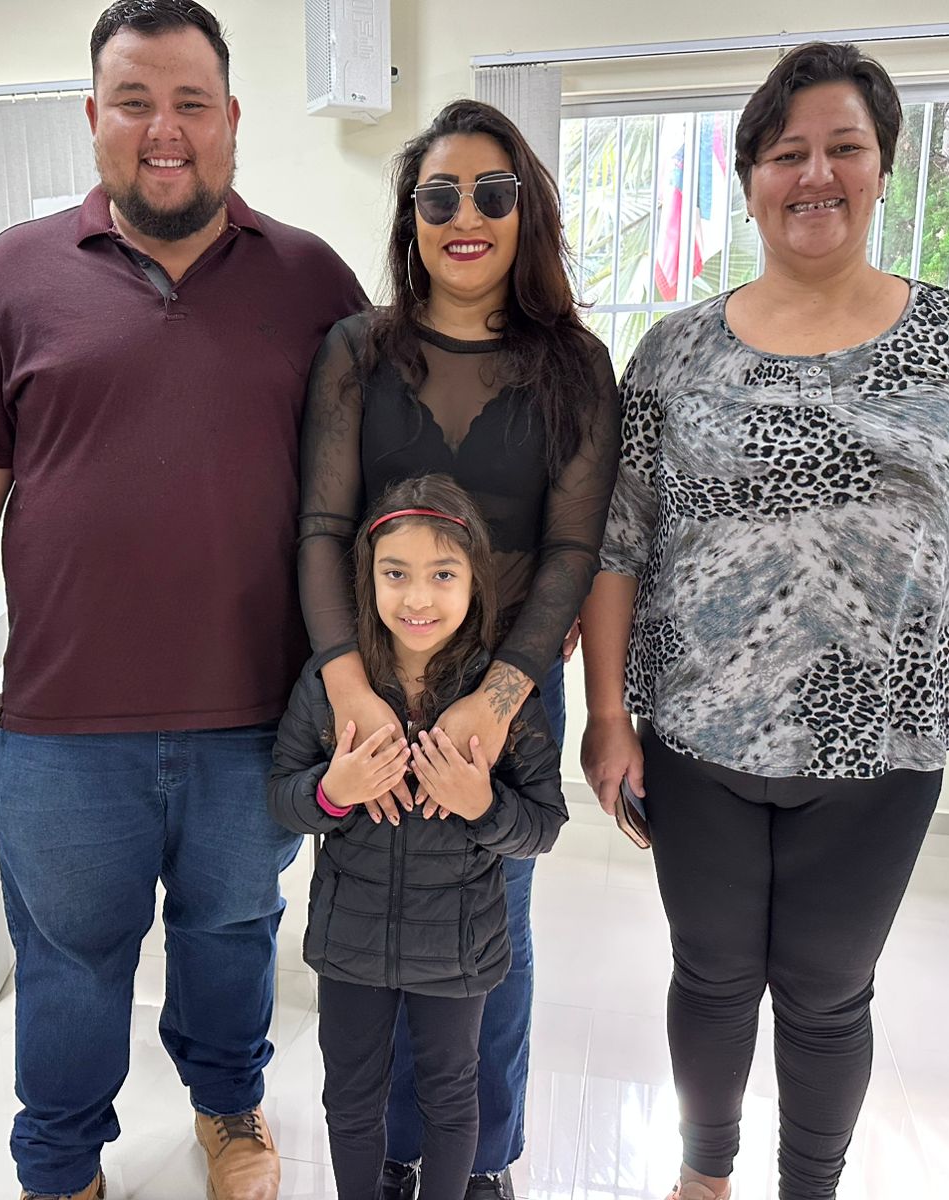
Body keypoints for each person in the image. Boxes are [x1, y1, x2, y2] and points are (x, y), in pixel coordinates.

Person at [579, 42, 949, 1200]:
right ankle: (704, 1175)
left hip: (882, 748)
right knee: (710, 977)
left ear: (882, 168)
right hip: (696, 737)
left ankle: (809, 1186)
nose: (814, 174)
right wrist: (606, 719)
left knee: (825, 993)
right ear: (748, 179)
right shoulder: (672, 350)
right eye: (785, 153)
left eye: (842, 148)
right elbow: (618, 544)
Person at [0, 3, 363, 1198]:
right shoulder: (14, 274)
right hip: (63, 725)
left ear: (231, 118)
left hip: (256, 719)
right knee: (68, 963)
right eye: (136, 103)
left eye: (191, 103)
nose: (166, 130)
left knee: (232, 936)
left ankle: (229, 1111)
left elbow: (372, 488)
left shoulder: (312, 279)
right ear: (92, 116)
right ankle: (60, 1165)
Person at [298, 99, 619, 1199]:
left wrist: (501, 695)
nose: (465, 216)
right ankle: (394, 1156)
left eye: (492, 192)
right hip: (375, 686)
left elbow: (573, 548)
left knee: (491, 929)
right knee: (381, 923)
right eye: (439, 197)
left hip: (509, 690)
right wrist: (348, 684)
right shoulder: (356, 351)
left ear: (527, 211)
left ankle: (478, 1164)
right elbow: (323, 528)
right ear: (412, 218)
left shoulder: (574, 364)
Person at [269, 476, 567, 1200]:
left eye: (443, 574)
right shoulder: (332, 686)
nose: (418, 598)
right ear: (366, 579)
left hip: (460, 949)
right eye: (395, 574)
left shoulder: (502, 700)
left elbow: (543, 825)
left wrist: (482, 805)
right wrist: (333, 791)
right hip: (350, 943)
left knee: (451, 1095)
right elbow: (283, 799)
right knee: (350, 1098)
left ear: (475, 582)